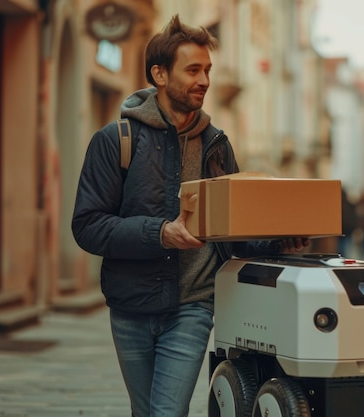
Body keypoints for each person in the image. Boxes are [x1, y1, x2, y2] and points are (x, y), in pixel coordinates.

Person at [71, 15, 308, 417]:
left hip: (193, 306)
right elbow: (88, 225)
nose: (204, 80)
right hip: (130, 304)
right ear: (160, 75)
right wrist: (160, 233)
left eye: (208, 70)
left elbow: (234, 229)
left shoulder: (217, 145)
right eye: (193, 70)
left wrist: (279, 240)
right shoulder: (116, 141)